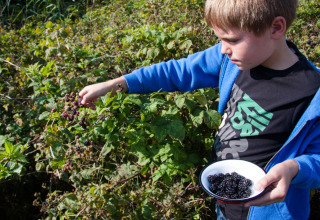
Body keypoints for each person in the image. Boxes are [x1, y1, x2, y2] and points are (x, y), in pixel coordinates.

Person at [79, 0, 320, 219]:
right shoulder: (233, 59)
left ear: (276, 28)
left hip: (271, 211)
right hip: (225, 201)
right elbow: (177, 71)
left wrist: (295, 169)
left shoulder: (312, 92)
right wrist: (118, 84)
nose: (224, 49)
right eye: (220, 39)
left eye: (232, 40)